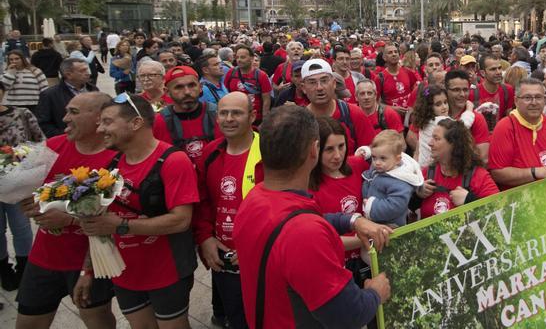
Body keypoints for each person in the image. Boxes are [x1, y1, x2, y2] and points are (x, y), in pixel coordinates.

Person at [232, 105, 392, 328]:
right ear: (314, 150)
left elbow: (294, 221)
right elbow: (348, 315)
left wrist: (352, 220)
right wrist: (375, 293)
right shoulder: (305, 233)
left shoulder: (254, 198)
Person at [77, 94, 199, 329]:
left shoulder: (173, 161)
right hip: (124, 271)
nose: (100, 129)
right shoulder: (112, 165)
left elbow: (181, 221)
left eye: (107, 122)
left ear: (136, 123)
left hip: (167, 270)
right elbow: (100, 225)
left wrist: (121, 225)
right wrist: (87, 271)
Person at [15, 92, 117, 329]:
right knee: (28, 321)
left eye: (74, 112)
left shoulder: (117, 157)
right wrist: (30, 202)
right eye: (66, 111)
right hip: (44, 256)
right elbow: (31, 193)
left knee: (97, 319)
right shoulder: (52, 148)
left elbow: (118, 219)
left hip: (91, 259)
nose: (65, 119)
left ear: (99, 118)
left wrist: (70, 220)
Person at [194, 92, 264, 329]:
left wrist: (255, 246)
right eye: (223, 113)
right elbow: (202, 201)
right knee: (236, 317)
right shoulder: (210, 153)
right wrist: (205, 238)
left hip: (261, 257)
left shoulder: (269, 151)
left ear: (252, 116)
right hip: (224, 256)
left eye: (237, 113)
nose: (229, 119)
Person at [308, 117, 370, 275]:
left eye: (341, 146)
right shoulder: (308, 186)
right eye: (329, 149)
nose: (337, 155)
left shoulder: (358, 165)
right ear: (315, 149)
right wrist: (366, 238)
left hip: (369, 258)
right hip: (336, 267)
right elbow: (319, 241)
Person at [0, 85, 42, 292]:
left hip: (18, 181)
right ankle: (4, 270)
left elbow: (40, 141)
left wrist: (25, 157)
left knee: (21, 226)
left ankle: (25, 268)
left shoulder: (22, 114)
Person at [416, 119, 499, 218]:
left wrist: (469, 200)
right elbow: (407, 211)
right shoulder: (427, 172)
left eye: (436, 139)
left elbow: (500, 209)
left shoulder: (478, 176)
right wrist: (417, 193)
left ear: (453, 144)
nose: (430, 143)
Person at [301, 59, 376, 155]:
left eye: (324, 81)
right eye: (312, 82)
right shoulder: (298, 122)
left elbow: (372, 152)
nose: (319, 87)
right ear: (303, 88)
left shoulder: (353, 113)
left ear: (334, 83)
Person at [153, 65, 220, 162]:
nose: (187, 92)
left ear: (200, 87)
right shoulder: (159, 122)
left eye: (192, 85)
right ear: (167, 92)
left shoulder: (218, 115)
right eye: (179, 87)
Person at [358, 130, 423, 228]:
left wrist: (371, 206)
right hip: (374, 222)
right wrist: (366, 154)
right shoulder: (383, 167)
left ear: (397, 159)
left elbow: (394, 206)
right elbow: (374, 166)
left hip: (389, 227)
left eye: (383, 158)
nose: (377, 162)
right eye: (374, 157)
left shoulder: (400, 182)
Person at [35, 58, 98, 137]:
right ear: (68, 75)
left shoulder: (93, 90)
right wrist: (66, 135)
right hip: (67, 139)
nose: (88, 73)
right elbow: (43, 124)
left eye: (87, 70)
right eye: (82, 71)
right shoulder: (50, 95)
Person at [223, 45, 272, 126]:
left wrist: (264, 121)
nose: (239, 60)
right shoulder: (231, 73)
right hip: (235, 117)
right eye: (237, 57)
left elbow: (266, 99)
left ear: (251, 58)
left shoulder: (261, 76)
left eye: (243, 57)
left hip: (255, 119)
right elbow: (225, 94)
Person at [408, 85, 453, 166]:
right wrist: (469, 110)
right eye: (438, 104)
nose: (444, 107)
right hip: (433, 167)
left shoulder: (424, 122)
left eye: (445, 102)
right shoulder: (440, 120)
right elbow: (463, 125)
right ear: (429, 107)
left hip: (422, 165)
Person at [372, 43, 421, 116]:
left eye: (396, 52)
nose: (394, 54)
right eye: (390, 53)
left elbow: (416, 92)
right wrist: (391, 108)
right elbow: (375, 102)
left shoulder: (408, 72)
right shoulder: (379, 78)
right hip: (391, 117)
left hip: (409, 117)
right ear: (384, 58)